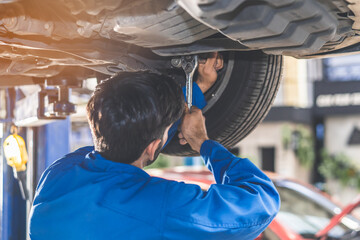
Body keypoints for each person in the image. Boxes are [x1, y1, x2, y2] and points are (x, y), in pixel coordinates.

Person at [28, 53, 280, 240]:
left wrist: (197, 90)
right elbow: (261, 201)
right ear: (153, 146)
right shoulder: (162, 206)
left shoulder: (58, 174)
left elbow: (134, 137)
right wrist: (204, 144)